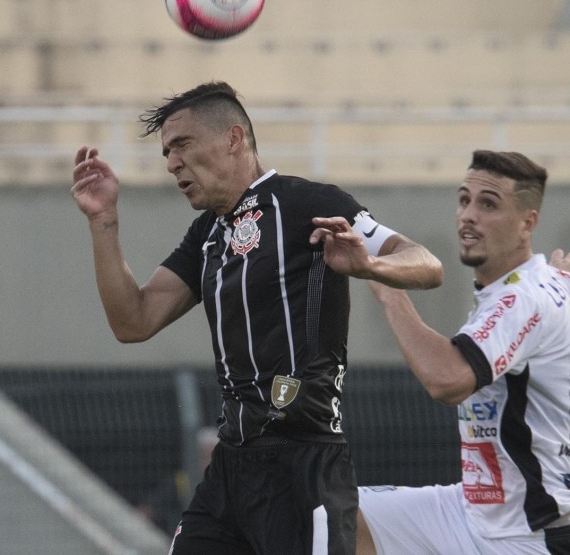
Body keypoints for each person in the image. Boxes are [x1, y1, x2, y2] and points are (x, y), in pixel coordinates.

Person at [70, 81, 443, 555]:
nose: (171, 163)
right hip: (231, 468)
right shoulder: (206, 234)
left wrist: (371, 265)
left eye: (182, 145)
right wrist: (103, 221)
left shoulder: (310, 204)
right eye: (166, 152)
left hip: (303, 462)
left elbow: (427, 264)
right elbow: (134, 321)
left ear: (233, 138)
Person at [357, 150, 570, 555]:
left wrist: (389, 291)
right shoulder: (545, 282)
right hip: (474, 513)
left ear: (528, 223)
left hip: (531, 538)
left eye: (487, 204)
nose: (468, 215)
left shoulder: (520, 298)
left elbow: (447, 380)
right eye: (463, 200)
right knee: (335, 516)